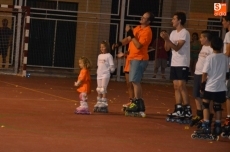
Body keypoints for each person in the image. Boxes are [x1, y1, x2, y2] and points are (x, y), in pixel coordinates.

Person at [113, 11, 154, 117]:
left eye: (144, 18)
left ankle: (137, 102)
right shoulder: (138, 28)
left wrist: (131, 33)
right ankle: (137, 102)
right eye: (142, 16)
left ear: (148, 21)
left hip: (139, 58)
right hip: (133, 58)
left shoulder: (147, 31)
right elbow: (129, 39)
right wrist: (119, 43)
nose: (142, 18)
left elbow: (139, 45)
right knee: (133, 81)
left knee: (135, 81)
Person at [191, 37, 229, 140]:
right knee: (218, 106)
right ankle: (217, 126)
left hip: (210, 85)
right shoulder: (225, 58)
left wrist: (202, 85)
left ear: (211, 46)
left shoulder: (210, 58)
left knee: (206, 105)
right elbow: (227, 72)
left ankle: (206, 125)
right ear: (221, 46)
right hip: (221, 86)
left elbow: (204, 73)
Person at [160, 12, 192, 123]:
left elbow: (177, 48)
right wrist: (165, 39)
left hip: (182, 62)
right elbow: (167, 49)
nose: (172, 21)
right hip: (174, 62)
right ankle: (178, 108)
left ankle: (187, 109)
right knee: (175, 86)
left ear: (179, 20)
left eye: (174, 19)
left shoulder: (184, 33)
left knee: (181, 86)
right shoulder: (173, 33)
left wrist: (167, 39)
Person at [190, 30, 213, 127]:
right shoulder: (203, 47)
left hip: (205, 75)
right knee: (196, 94)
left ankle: (208, 116)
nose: (200, 39)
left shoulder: (212, 49)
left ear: (206, 38)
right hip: (197, 73)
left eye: (201, 37)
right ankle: (199, 114)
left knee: (205, 96)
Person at [94, 40, 115, 113]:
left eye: (103, 47)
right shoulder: (99, 56)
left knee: (103, 88)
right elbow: (98, 65)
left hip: (105, 74)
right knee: (99, 88)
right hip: (99, 74)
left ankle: (104, 102)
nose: (102, 48)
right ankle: (99, 101)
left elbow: (112, 66)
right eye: (101, 47)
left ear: (106, 47)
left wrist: (110, 70)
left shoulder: (109, 56)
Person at [222, 11, 230, 138]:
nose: (222, 23)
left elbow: (228, 52)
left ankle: (229, 118)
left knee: (228, 95)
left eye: (223, 20)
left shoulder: (229, 34)